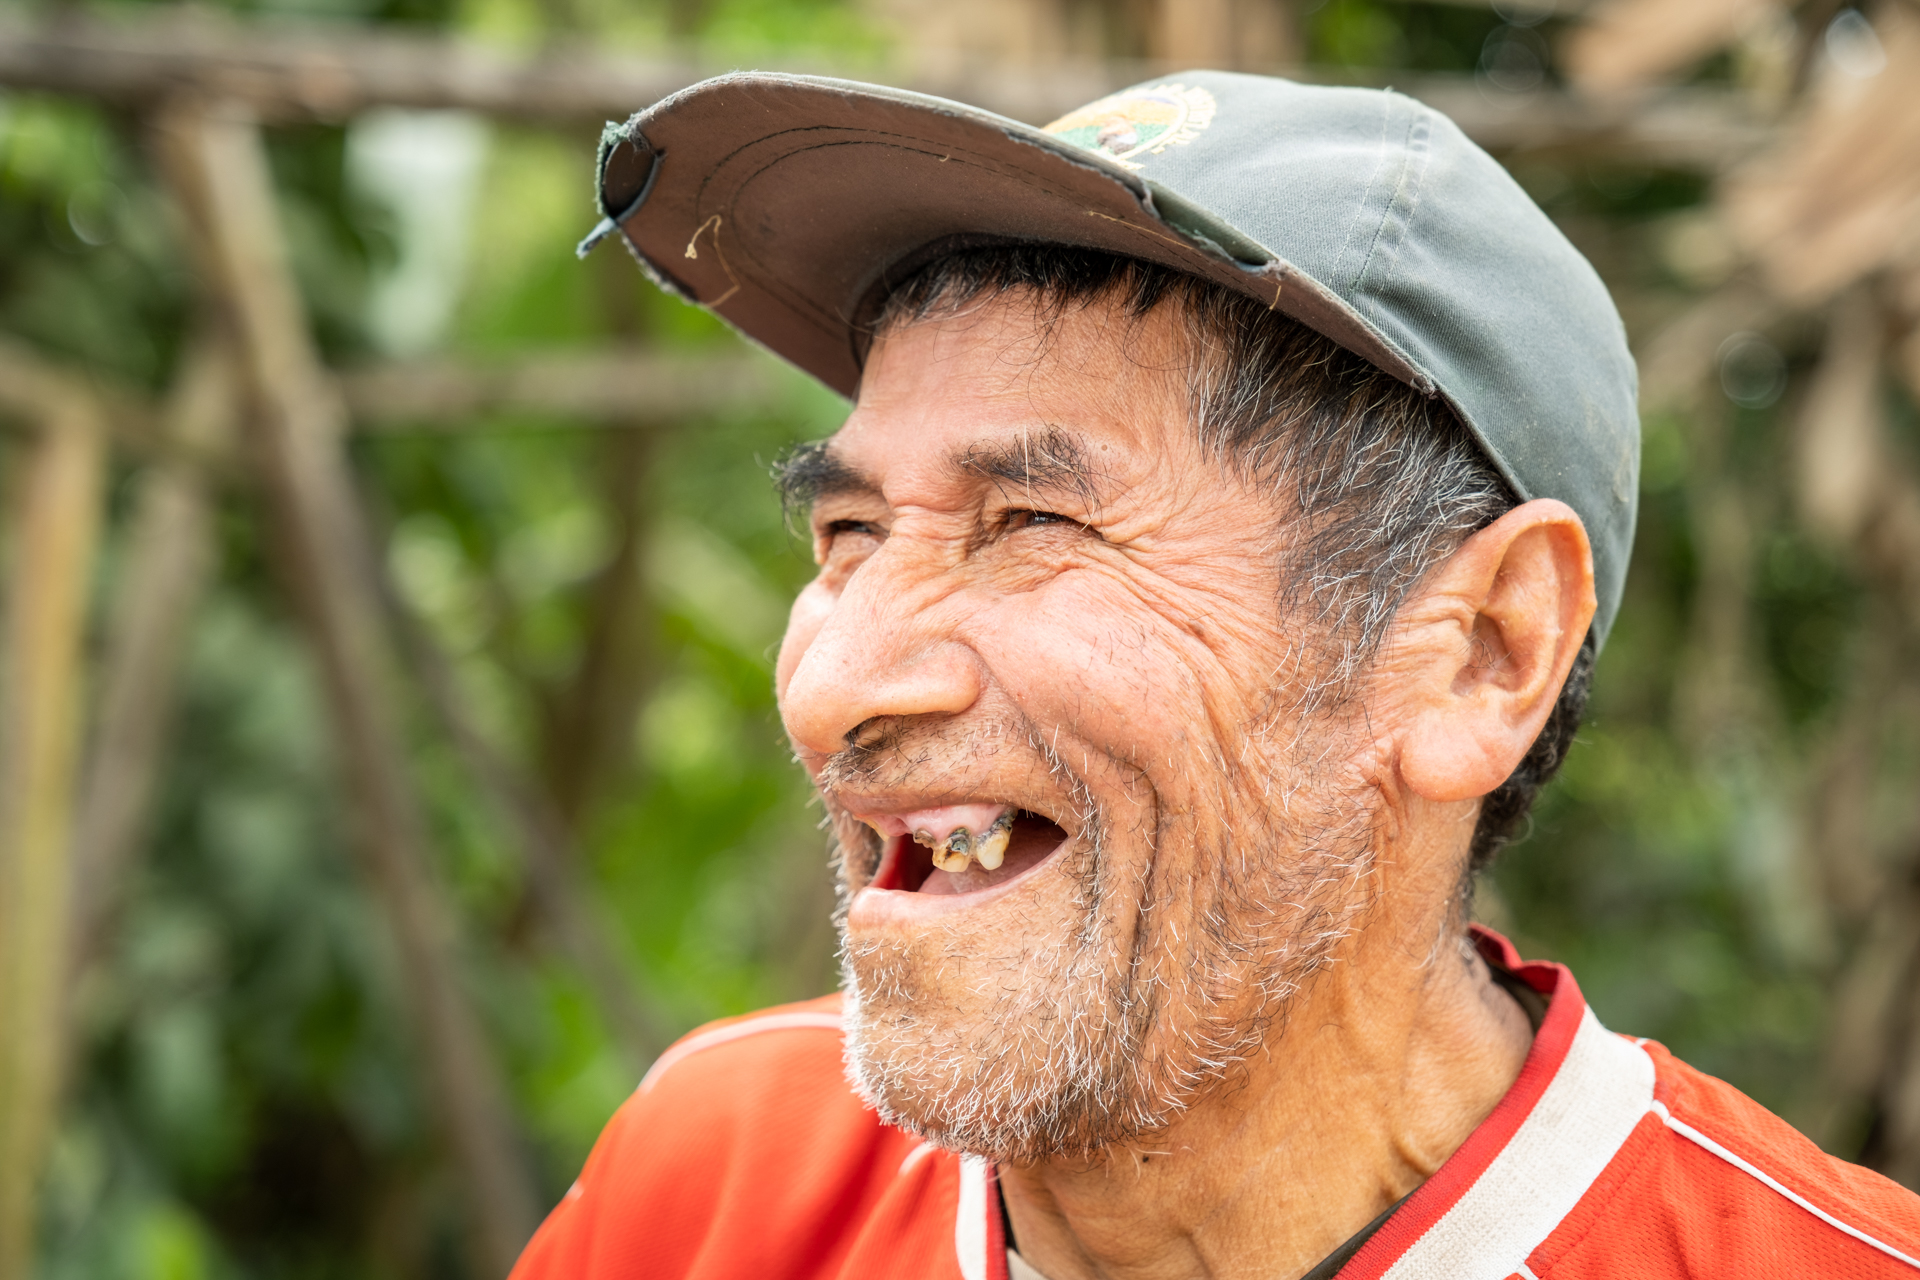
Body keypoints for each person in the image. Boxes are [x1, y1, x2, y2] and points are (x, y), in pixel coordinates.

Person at [512, 71, 1920, 1279]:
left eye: (1032, 524)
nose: (835, 691)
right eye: (851, 533)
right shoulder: (715, 1180)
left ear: (1483, 652)